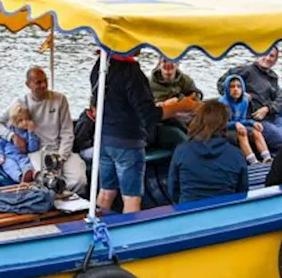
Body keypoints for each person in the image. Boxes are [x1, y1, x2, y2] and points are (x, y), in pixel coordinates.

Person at [0, 66, 88, 196]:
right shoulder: (21, 102)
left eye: (45, 81)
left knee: (80, 179)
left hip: (60, 150)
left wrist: (60, 158)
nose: (44, 85)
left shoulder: (60, 99)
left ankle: (72, 204)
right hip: (36, 152)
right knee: (44, 182)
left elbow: (67, 133)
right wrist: (12, 136)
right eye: (38, 82)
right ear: (28, 84)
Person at [90, 53, 163, 214]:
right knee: (131, 197)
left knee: (106, 192)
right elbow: (150, 114)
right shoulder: (131, 71)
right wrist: (182, 106)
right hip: (127, 142)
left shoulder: (101, 65)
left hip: (104, 139)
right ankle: (129, 235)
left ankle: (97, 229)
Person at [167, 99, 249, 204]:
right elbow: (242, 192)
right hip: (225, 213)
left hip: (188, 213)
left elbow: (173, 191)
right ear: (224, 124)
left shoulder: (181, 151)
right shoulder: (236, 154)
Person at [218, 46, 282, 151]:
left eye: (272, 56)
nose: (268, 58)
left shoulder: (273, 77)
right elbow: (222, 83)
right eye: (265, 53)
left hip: (273, 117)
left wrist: (268, 108)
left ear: (275, 60)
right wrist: (240, 95)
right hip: (254, 120)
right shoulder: (246, 70)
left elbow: (280, 100)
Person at [148, 58, 202, 148]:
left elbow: (196, 99)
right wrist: (162, 104)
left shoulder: (186, 80)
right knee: (182, 139)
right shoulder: (148, 83)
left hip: (186, 118)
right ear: (159, 64)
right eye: (165, 61)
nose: (168, 65)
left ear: (177, 64)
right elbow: (144, 108)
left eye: (172, 61)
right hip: (162, 124)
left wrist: (178, 100)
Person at [219, 74, 272, 164]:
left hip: (239, 126)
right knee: (242, 133)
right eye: (232, 87)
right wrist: (235, 124)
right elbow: (221, 124)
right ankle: (253, 161)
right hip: (225, 130)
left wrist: (252, 123)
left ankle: (267, 157)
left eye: (239, 86)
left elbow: (242, 120)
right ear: (227, 89)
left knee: (256, 131)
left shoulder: (244, 101)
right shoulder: (222, 103)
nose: (236, 89)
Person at [0, 104, 41, 183]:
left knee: (26, 163)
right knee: (10, 167)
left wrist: (31, 133)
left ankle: (31, 175)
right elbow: (0, 145)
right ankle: (19, 177)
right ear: (14, 122)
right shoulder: (9, 130)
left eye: (27, 119)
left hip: (22, 155)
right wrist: (0, 156)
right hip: (8, 156)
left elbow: (32, 148)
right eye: (21, 120)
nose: (25, 122)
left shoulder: (28, 133)